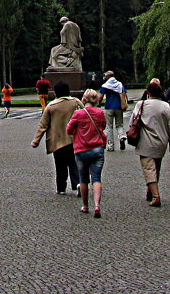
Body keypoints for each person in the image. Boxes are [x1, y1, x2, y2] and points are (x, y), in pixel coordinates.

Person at [131, 80, 170, 207]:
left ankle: (156, 196)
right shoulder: (165, 106)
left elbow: (133, 121)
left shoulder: (141, 104)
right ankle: (150, 191)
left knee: (148, 169)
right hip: (161, 142)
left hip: (145, 141)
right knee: (156, 168)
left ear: (148, 92)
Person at [31, 81, 82, 195]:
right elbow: (84, 116)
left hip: (57, 140)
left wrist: (36, 140)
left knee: (60, 165)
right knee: (74, 163)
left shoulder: (51, 106)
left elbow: (43, 125)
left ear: (55, 92)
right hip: (74, 139)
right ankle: (78, 183)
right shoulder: (75, 102)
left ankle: (61, 188)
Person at [66, 88, 107, 218]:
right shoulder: (100, 112)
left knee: (83, 179)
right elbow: (103, 126)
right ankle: (97, 206)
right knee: (96, 178)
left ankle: (85, 205)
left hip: (81, 149)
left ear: (84, 99)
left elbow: (68, 129)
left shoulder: (78, 114)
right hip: (97, 148)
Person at [100, 70, 127, 151]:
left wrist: (97, 104)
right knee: (119, 125)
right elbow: (124, 94)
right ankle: (121, 137)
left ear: (108, 77)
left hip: (108, 107)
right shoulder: (120, 84)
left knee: (109, 127)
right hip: (119, 107)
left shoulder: (105, 85)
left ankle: (110, 146)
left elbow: (100, 97)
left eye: (105, 76)